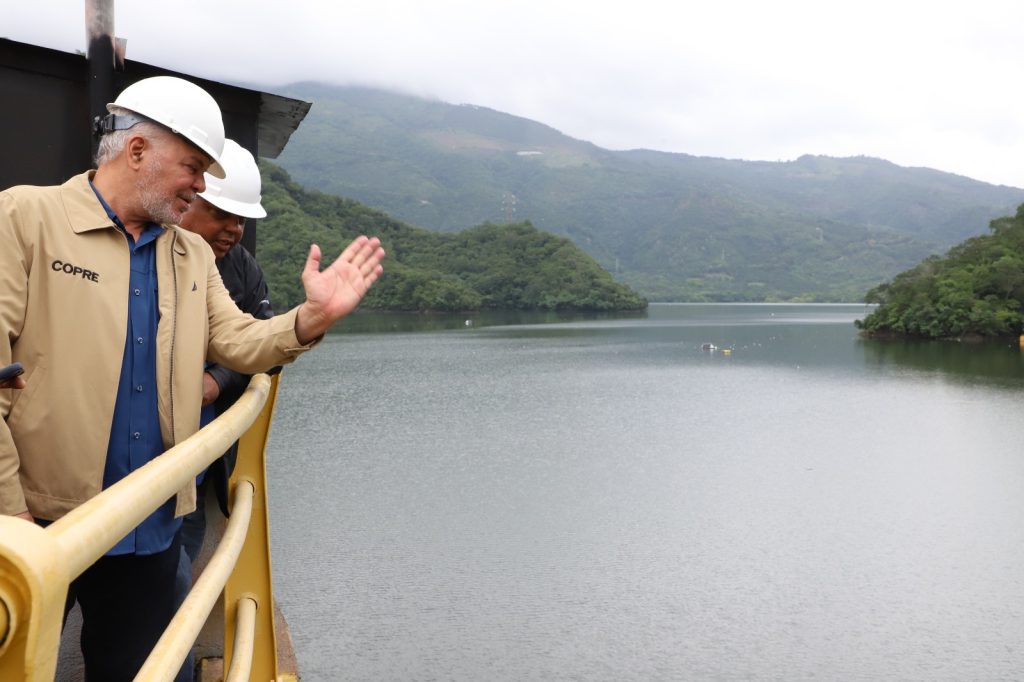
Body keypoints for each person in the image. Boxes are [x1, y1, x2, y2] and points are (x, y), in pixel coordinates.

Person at [0, 76, 384, 681]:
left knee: (139, 670)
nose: (202, 186)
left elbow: (237, 342)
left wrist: (309, 319)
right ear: (137, 151)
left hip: (150, 519)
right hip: (41, 520)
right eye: (193, 167)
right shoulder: (25, 217)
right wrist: (9, 509)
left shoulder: (191, 254)